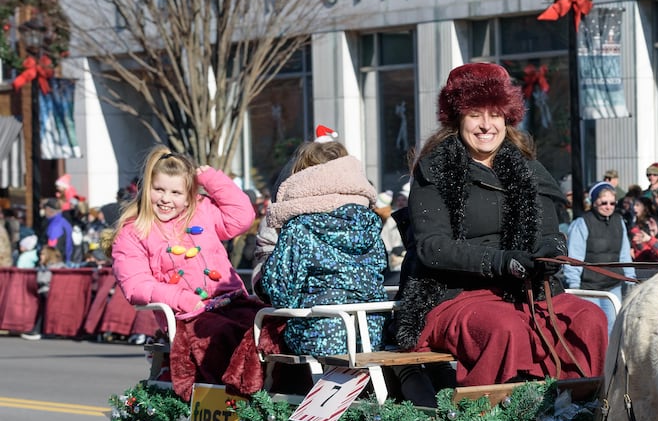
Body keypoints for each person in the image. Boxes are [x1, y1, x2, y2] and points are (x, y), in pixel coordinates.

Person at [391, 62, 607, 386]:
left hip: (527, 292)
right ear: (457, 118)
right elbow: (431, 247)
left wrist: (551, 252)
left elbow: (550, 232)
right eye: (475, 114)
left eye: (494, 114)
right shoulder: (433, 168)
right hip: (456, 294)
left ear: (507, 116)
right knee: (505, 326)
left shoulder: (529, 168)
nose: (486, 125)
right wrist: (499, 261)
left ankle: (580, 413)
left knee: (589, 318)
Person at [107, 147, 261, 398]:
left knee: (267, 328)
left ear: (189, 196)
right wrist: (181, 298)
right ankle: (229, 401)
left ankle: (271, 401)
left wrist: (211, 179)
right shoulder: (133, 232)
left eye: (176, 192)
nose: (166, 198)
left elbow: (242, 217)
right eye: (159, 190)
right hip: (188, 315)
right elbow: (136, 286)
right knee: (220, 337)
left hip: (231, 301)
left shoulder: (202, 210)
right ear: (146, 189)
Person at [254, 139, 389, 357]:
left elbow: (280, 292)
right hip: (371, 333)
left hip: (319, 334)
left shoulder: (300, 227)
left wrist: (263, 276)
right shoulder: (369, 223)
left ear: (301, 179)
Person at [564, 182, 634, 332]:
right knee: (592, 327)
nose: (608, 206)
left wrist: (630, 279)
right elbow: (574, 258)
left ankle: (608, 357)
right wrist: (574, 286)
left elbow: (624, 255)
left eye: (612, 203)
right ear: (594, 202)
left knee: (613, 328)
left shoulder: (619, 222)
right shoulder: (582, 223)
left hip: (612, 286)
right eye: (603, 202)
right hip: (589, 287)